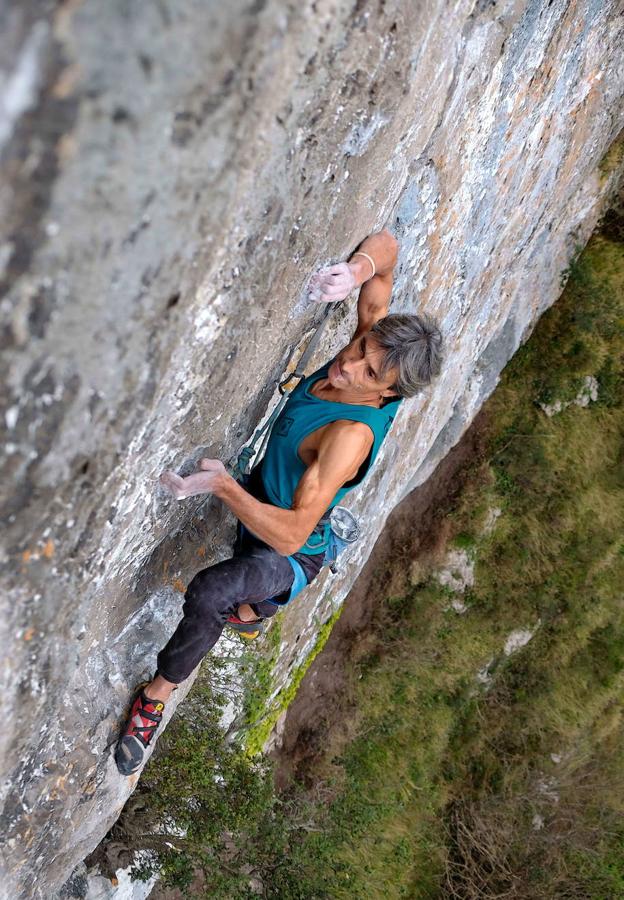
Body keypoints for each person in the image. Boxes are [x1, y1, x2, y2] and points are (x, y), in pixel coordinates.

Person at [115, 229, 442, 776]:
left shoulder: (348, 437)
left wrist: (223, 487)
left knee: (213, 591)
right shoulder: (369, 351)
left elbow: (289, 535)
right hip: (267, 499)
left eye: (366, 373)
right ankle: (256, 608)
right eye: (360, 349)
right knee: (240, 574)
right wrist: (358, 270)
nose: (347, 367)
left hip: (290, 547)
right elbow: (387, 249)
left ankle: (157, 696)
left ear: (386, 395)